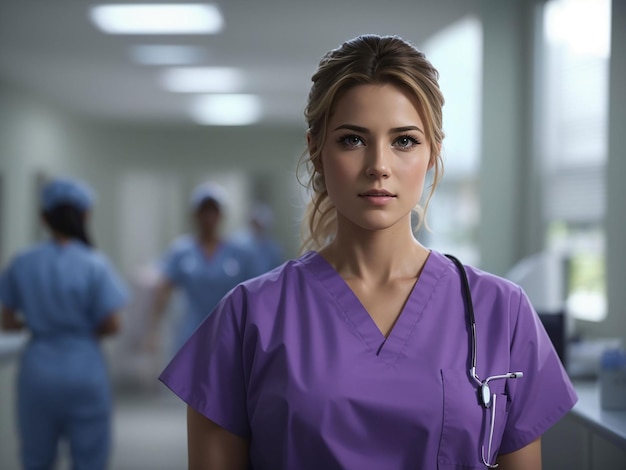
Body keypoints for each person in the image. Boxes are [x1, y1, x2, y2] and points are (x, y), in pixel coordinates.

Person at [158, 34, 578, 469]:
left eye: (404, 141)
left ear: (433, 152)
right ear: (316, 152)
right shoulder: (249, 316)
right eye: (353, 140)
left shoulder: (501, 312)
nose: (379, 165)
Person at [0, 177, 129, 470]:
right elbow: (113, 324)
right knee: (89, 459)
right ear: (86, 215)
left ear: (43, 218)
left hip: (38, 370)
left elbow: (7, 323)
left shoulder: (23, 262)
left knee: (36, 457)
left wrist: (41, 326)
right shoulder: (95, 264)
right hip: (85, 369)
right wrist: (81, 332)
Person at [149, 181, 258, 355]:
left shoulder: (238, 253)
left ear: (221, 215)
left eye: (213, 211)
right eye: (203, 211)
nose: (208, 216)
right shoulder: (181, 251)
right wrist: (153, 329)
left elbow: (254, 295)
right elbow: (163, 289)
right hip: (191, 332)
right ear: (195, 215)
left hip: (228, 332)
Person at [230, 202, 285, 276]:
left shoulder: (272, 248)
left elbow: (276, 272)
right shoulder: (237, 242)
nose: (258, 226)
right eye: (255, 222)